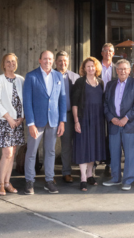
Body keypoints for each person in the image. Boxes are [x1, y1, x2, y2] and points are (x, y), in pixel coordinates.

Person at [23, 50, 66, 195]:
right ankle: (29, 181)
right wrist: (30, 123)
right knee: (31, 152)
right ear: (39, 60)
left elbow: (62, 100)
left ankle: (49, 181)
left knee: (50, 151)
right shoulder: (31, 76)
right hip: (37, 122)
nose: (48, 61)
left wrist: (62, 121)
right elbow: (27, 102)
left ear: (53, 61)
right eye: (45, 59)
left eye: (50, 59)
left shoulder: (58, 75)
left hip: (53, 121)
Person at [103, 59, 134, 191]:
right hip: (114, 125)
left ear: (129, 70)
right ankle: (115, 178)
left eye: (125, 69)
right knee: (114, 153)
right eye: (120, 69)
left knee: (130, 154)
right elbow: (105, 104)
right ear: (116, 71)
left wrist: (126, 118)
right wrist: (111, 118)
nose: (122, 71)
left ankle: (127, 180)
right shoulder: (110, 85)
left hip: (130, 125)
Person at [0, 53, 25, 195]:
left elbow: (24, 101)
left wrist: (22, 118)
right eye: (8, 62)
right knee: (7, 153)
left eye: (13, 61)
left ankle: (7, 182)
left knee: (13, 153)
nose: (11, 64)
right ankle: (0, 183)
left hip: (18, 122)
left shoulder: (21, 80)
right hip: (5, 121)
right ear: (3, 64)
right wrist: (9, 118)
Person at [71, 57, 105, 191]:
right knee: (83, 147)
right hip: (83, 118)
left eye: (93, 66)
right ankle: (83, 178)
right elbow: (74, 103)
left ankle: (90, 174)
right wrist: (76, 121)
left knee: (94, 147)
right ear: (84, 69)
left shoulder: (101, 82)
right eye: (88, 66)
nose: (91, 69)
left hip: (97, 120)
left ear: (96, 68)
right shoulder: (79, 82)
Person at [55, 51, 79, 183]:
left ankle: (66, 172)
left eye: (65, 60)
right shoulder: (49, 75)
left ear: (68, 62)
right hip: (52, 116)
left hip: (69, 116)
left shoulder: (75, 77)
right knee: (50, 145)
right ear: (55, 62)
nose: (62, 63)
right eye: (60, 60)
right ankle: (48, 174)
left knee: (66, 146)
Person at [100, 43, 117, 176]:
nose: (108, 53)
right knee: (97, 133)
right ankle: (94, 162)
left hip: (112, 106)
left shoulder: (117, 68)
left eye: (110, 51)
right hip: (96, 104)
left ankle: (109, 164)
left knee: (111, 135)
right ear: (102, 53)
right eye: (105, 50)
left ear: (113, 53)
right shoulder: (94, 67)